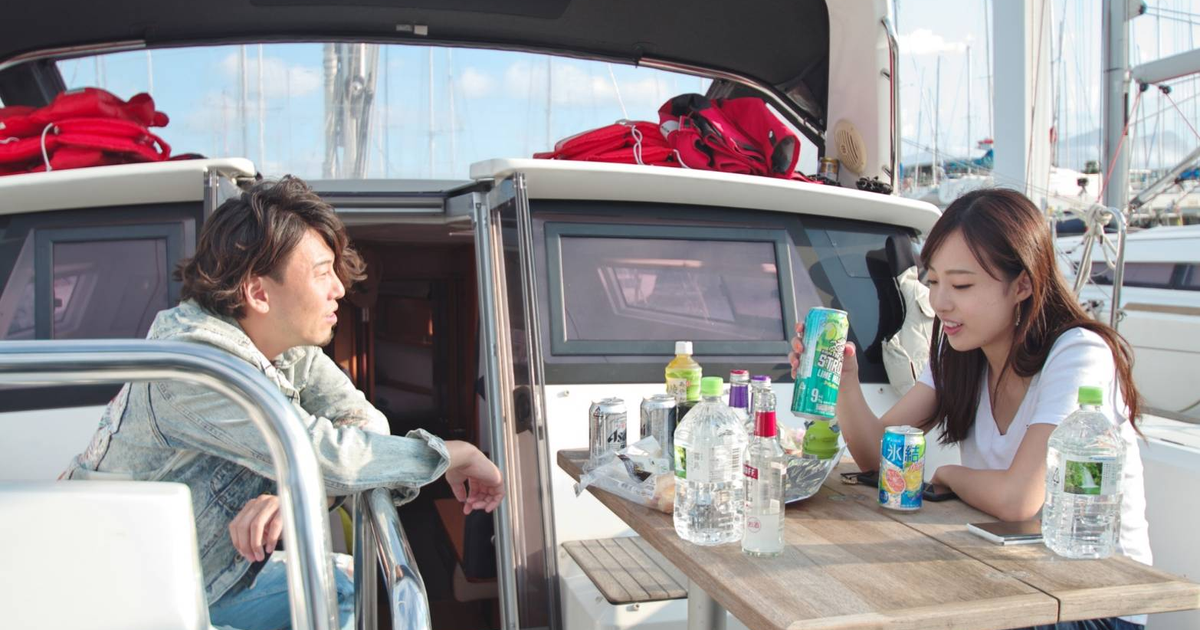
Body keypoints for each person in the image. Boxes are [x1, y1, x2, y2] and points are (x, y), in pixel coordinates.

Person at [64, 176, 503, 630]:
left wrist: (298, 490)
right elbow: (327, 453)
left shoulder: (283, 346)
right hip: (126, 598)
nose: (339, 289)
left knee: (343, 585)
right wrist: (451, 453)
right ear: (259, 293)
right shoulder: (197, 368)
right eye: (321, 273)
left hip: (202, 579)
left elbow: (363, 421)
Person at [789, 189, 1150, 630]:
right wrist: (845, 380)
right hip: (1010, 580)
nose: (940, 303)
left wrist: (948, 475)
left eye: (961, 285)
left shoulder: (1078, 354)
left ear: (1023, 285)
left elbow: (1019, 499)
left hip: (1093, 603)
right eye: (933, 282)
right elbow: (878, 457)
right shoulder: (960, 350)